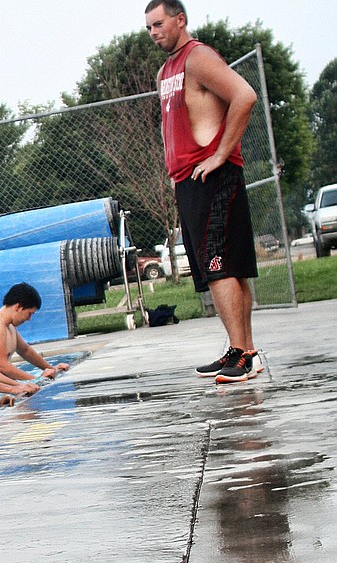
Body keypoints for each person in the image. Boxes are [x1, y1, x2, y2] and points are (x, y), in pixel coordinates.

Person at [144, 0, 262, 383]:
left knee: (221, 267)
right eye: (149, 27)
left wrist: (221, 153)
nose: (154, 32)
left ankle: (243, 355)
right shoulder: (166, 70)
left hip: (213, 177)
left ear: (181, 19)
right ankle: (240, 349)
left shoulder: (198, 58)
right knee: (223, 269)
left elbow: (244, 96)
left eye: (159, 23)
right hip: (188, 181)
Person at [0, 282, 70, 383]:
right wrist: (36, 380)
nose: (29, 319)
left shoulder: (9, 326)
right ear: (18, 307)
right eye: (29, 313)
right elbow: (1, 366)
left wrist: (52, 369)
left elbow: (25, 350)